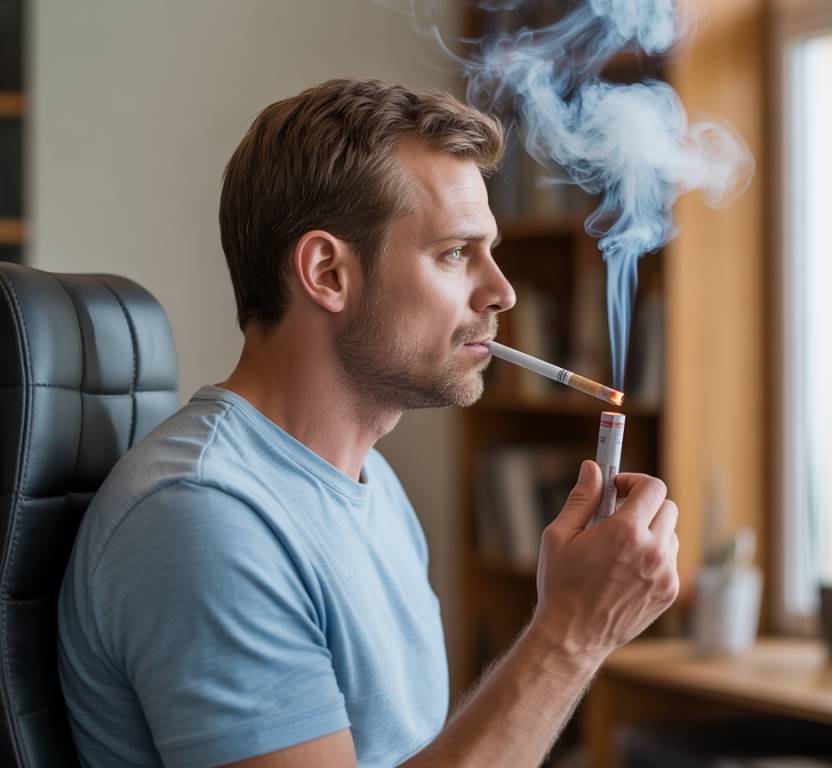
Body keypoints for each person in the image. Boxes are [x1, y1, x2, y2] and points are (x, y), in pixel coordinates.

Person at [57, 78, 680, 768]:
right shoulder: (206, 517)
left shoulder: (369, 483)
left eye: (491, 250)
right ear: (327, 272)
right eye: (454, 253)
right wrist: (570, 635)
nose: (501, 291)